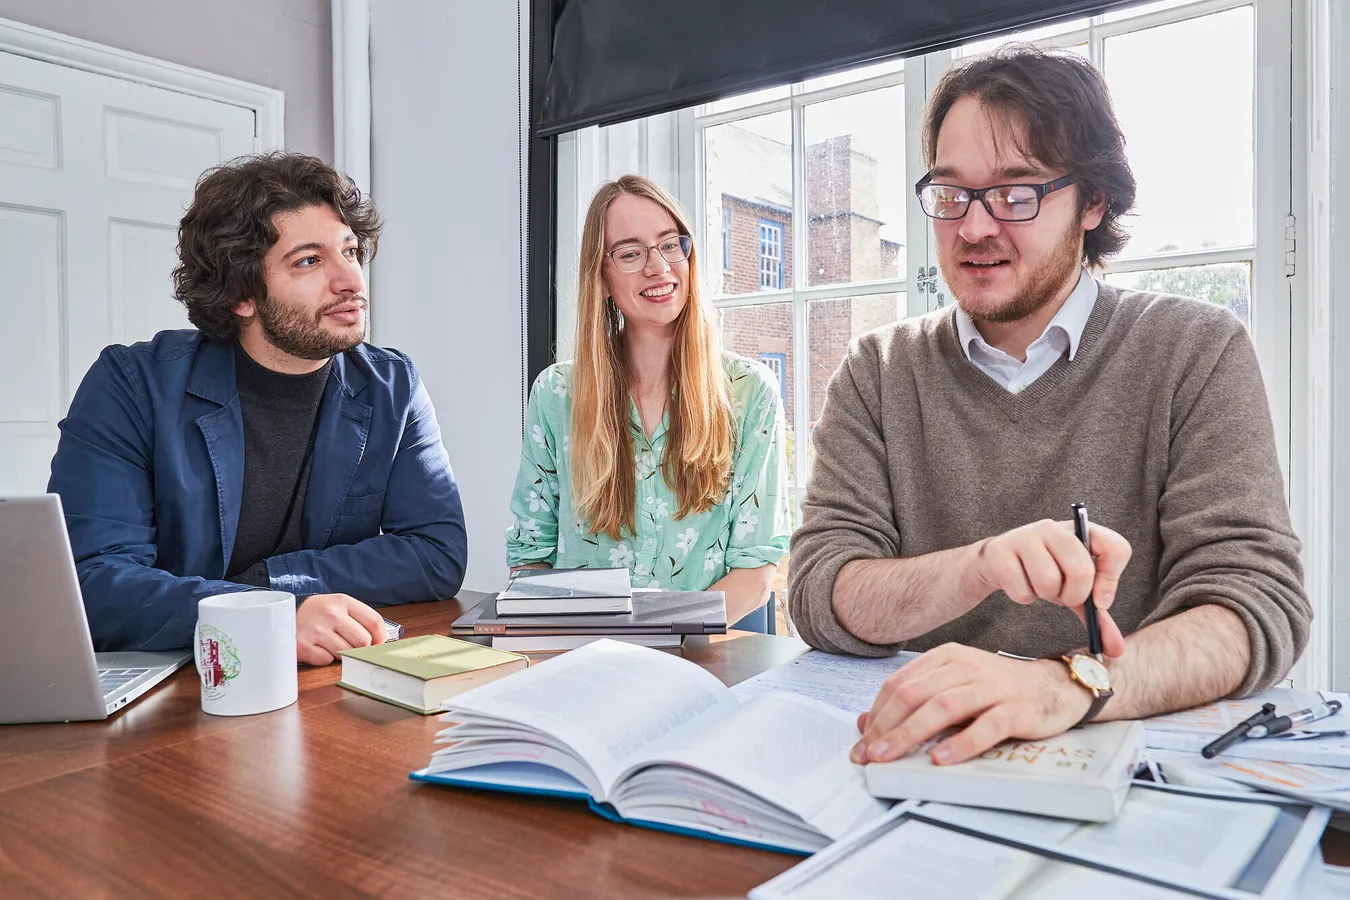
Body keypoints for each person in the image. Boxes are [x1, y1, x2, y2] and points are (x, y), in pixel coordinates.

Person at [788, 47, 1309, 766]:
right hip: (919, 757)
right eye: (950, 193)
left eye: (1016, 193)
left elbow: (1255, 607)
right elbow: (820, 593)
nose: (973, 229)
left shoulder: (1196, 349)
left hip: (1124, 759)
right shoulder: (877, 369)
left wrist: (1066, 682)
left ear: (1092, 201)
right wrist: (977, 566)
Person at [48, 152, 468, 666]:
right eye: (309, 261)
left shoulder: (392, 385)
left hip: (324, 678)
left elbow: (435, 553)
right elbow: (90, 582)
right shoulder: (131, 385)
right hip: (177, 681)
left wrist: (273, 582)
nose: (351, 281)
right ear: (240, 294)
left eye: (350, 252)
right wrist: (264, 614)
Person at [506, 175, 789, 626]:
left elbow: (755, 574)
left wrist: (655, 644)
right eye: (631, 253)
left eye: (670, 245)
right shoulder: (556, 394)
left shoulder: (749, 391)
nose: (657, 267)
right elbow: (530, 557)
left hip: (710, 656)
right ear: (601, 277)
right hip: (586, 655)